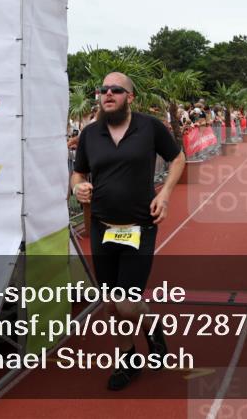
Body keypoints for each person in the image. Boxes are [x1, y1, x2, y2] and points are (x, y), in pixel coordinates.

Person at [71, 72, 185, 391]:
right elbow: (78, 173)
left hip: (140, 228)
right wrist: (78, 188)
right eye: (103, 90)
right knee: (110, 305)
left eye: (116, 90)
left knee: (124, 304)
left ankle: (139, 344)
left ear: (129, 97)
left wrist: (164, 195)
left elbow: (177, 159)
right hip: (101, 229)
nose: (108, 94)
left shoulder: (150, 127)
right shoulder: (91, 134)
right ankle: (139, 342)